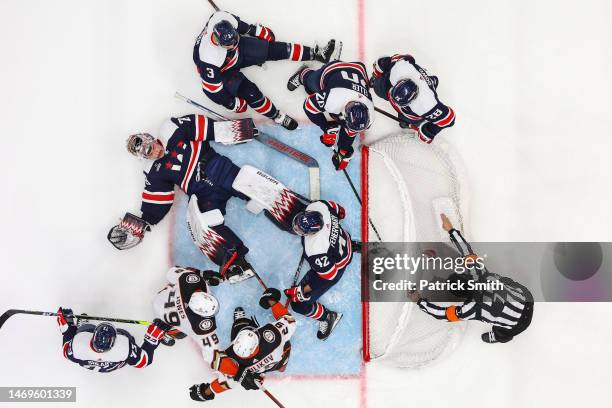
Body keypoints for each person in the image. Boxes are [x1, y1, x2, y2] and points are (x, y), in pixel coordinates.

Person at [107, 114, 304, 283]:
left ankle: (298, 216)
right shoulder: (153, 172)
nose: (154, 153)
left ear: (150, 137)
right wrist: (140, 224)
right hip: (204, 194)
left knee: (256, 186)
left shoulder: (172, 129)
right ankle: (234, 262)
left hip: (222, 171)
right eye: (148, 154)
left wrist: (235, 130)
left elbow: (206, 128)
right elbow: (157, 201)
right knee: (202, 225)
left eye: (151, 146)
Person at [194, 10, 341, 130]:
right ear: (218, 42)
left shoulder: (222, 18)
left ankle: (317, 54)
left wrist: (257, 31)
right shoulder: (208, 59)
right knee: (252, 94)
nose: (233, 45)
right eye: (229, 45)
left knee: (276, 49)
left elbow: (243, 27)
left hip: (236, 54)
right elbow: (213, 92)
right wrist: (231, 103)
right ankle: (277, 116)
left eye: (235, 39)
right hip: (224, 71)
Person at [411, 214, 534, 344]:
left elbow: (444, 314)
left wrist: (419, 301)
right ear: (467, 276)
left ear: (462, 297)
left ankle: (499, 337)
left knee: (501, 331)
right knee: (502, 283)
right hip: (526, 297)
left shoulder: (471, 309)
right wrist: (451, 230)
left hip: (519, 325)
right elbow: (466, 250)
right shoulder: (480, 273)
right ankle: (508, 294)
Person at [188, 288, 295, 402]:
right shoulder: (272, 334)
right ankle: (281, 367)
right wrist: (272, 301)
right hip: (279, 356)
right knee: (281, 362)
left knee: (240, 326)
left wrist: (205, 392)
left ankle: (240, 322)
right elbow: (289, 321)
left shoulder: (233, 360)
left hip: (262, 368)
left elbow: (224, 381)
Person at [284, 200, 353, 340]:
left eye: (301, 229)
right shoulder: (320, 207)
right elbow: (341, 211)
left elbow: (329, 275)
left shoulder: (315, 250)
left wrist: (302, 291)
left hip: (337, 264)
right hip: (344, 241)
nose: (297, 228)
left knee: (298, 305)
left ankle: (328, 317)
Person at [287, 61, 373, 170]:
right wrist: (325, 127)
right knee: (311, 84)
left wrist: (344, 152)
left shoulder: (368, 117)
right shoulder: (333, 99)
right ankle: (303, 74)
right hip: (333, 70)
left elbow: (350, 132)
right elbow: (309, 105)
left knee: (344, 121)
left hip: (358, 70)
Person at [370, 53, 455, 144]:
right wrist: (378, 72)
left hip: (424, 92)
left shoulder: (426, 104)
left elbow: (450, 119)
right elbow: (406, 58)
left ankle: (407, 122)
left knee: (411, 119)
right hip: (414, 79)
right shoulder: (400, 70)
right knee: (378, 87)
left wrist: (429, 131)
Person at [56, 307, 170, 372]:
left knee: (85, 328)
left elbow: (66, 348)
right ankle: (160, 334)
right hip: (113, 365)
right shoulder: (123, 348)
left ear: (93, 336)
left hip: (87, 362)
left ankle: (83, 326)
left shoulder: (78, 344)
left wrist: (67, 325)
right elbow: (144, 361)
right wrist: (152, 339)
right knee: (126, 335)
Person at [152, 266, 223, 362]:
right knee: (182, 333)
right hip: (164, 316)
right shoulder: (198, 326)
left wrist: (200, 275)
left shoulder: (191, 280)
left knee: (178, 283)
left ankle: (165, 331)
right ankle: (166, 333)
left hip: (159, 299)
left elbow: (171, 272)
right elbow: (211, 356)